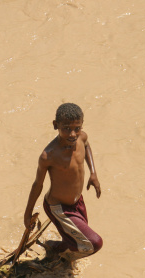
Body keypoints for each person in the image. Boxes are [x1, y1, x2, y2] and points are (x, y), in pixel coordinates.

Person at [24, 103, 103, 262]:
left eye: (77, 128)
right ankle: (58, 253)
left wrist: (93, 173)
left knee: (77, 241)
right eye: (66, 128)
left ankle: (54, 248)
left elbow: (87, 146)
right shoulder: (49, 155)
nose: (73, 134)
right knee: (93, 243)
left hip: (77, 203)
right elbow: (37, 185)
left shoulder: (82, 137)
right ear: (56, 125)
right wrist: (27, 214)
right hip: (59, 208)